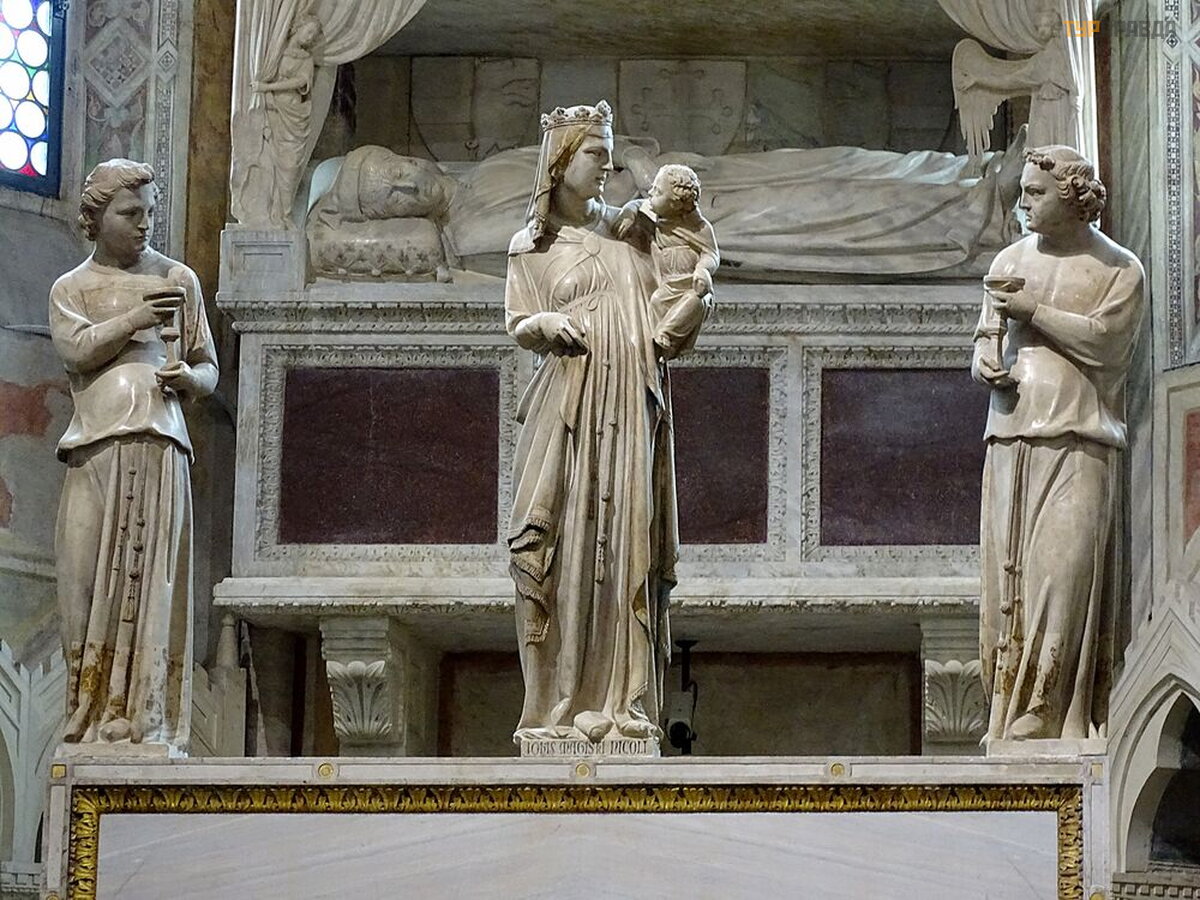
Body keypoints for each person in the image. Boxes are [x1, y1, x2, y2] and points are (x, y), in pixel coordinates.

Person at [505, 102, 694, 746]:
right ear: (560, 160)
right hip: (567, 409)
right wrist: (544, 323)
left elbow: (678, 299)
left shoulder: (633, 233)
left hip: (631, 411)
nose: (607, 166)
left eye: (610, 155)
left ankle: (621, 702)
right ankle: (553, 707)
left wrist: (694, 295)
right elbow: (519, 320)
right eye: (594, 153)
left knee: (626, 543)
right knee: (553, 545)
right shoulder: (532, 247)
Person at [972, 145, 1143, 743]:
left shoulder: (1118, 269)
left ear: (1073, 198)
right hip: (1011, 435)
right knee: (1010, 584)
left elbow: (1106, 344)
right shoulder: (1009, 259)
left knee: (1062, 575)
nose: (1022, 202)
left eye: (1035, 192)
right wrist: (985, 362)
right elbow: (986, 338)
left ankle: (1049, 706)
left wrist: (1034, 309)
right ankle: (1009, 706)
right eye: (1022, 190)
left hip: (1082, 438)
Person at [51, 159, 218, 750]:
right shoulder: (71, 288)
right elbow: (76, 350)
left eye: (150, 211)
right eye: (130, 213)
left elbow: (207, 364)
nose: (145, 223)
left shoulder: (179, 278)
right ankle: (88, 709)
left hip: (159, 442)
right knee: (82, 584)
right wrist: (136, 318)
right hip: (93, 448)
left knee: (150, 587)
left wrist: (190, 381)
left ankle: (143, 718)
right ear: (96, 219)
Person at [615, 163, 719, 360]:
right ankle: (657, 344)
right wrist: (629, 214)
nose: (650, 193)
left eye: (657, 191)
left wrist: (703, 269)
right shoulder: (656, 215)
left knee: (698, 301)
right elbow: (637, 204)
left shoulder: (700, 228)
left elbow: (711, 254)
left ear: (676, 204)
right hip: (668, 284)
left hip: (691, 284)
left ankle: (666, 333)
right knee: (656, 301)